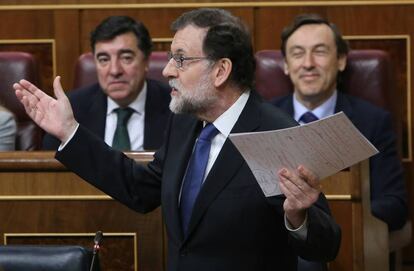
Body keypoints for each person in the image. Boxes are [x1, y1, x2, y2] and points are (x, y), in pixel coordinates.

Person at [14, 8, 340, 271]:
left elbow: (325, 246)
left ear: (221, 70)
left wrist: (298, 216)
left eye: (181, 59)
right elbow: (141, 190)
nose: (168, 70)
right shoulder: (185, 122)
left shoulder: (274, 133)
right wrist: (69, 132)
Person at [272, 14, 408, 231]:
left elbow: (394, 204)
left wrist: (329, 224)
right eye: (297, 54)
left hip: (349, 243)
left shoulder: (373, 121)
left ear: (341, 60)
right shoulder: (262, 120)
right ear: (286, 65)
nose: (308, 64)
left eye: (320, 51)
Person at [42, 16, 171, 151]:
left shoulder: (175, 108)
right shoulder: (71, 110)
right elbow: (51, 167)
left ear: (146, 61)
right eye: (104, 59)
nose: (114, 70)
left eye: (126, 58)